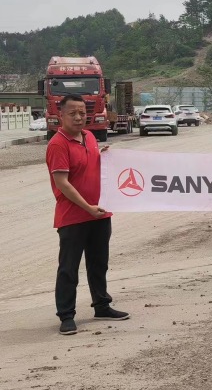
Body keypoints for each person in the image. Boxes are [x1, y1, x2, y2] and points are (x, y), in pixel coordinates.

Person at [46, 94, 129, 335]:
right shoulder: (58, 144)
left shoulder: (90, 137)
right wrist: (87, 207)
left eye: (82, 112)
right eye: (72, 113)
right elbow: (62, 183)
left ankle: (102, 305)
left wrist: (103, 156)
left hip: (100, 213)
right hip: (73, 216)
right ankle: (66, 316)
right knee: (68, 268)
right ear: (60, 115)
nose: (79, 117)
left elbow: (91, 167)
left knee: (99, 264)